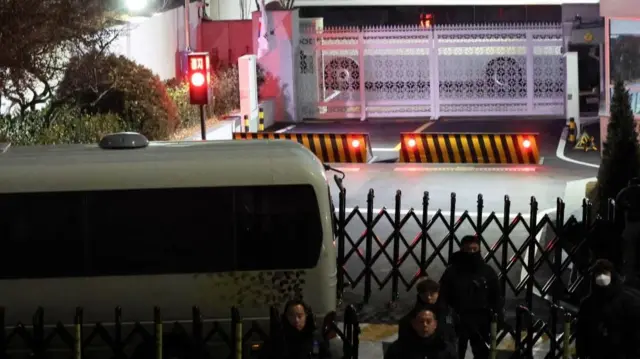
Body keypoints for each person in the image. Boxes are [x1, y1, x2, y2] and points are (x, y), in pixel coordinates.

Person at [439, 235, 502, 359]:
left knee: (482, 353)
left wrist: (497, 315)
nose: (472, 252)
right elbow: (443, 295)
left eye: (474, 249)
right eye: (468, 249)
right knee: (455, 353)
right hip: (458, 319)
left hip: (481, 320)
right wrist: (445, 317)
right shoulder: (452, 271)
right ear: (462, 250)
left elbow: (496, 295)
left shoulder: (487, 271)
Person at [576, 259, 640, 359]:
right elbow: (582, 333)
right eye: (598, 273)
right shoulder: (588, 304)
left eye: (604, 273)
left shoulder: (627, 301)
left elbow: (634, 334)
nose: (601, 277)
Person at [259, 299, 329, 359]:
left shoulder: (315, 337)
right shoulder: (278, 338)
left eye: (300, 316)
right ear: (286, 317)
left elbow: (325, 356)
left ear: (306, 316)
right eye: (291, 315)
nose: (296, 320)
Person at [399, 278, 459, 346]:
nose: (428, 297)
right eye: (424, 294)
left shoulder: (448, 312)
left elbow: (456, 331)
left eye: (432, 294)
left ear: (438, 293)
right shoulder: (411, 317)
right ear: (420, 295)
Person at [385, 304, 457, 359]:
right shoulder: (399, 348)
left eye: (428, 321)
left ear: (435, 324)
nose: (425, 325)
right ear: (414, 324)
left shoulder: (445, 348)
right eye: (421, 321)